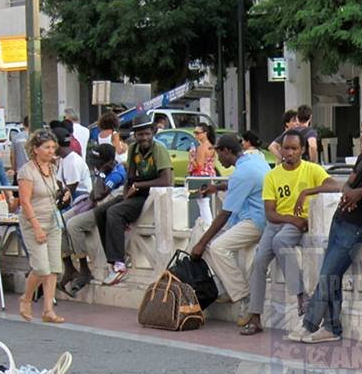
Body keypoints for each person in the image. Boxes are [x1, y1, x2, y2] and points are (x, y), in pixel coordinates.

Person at [288, 112, 362, 343]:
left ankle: (309, 324)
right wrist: (312, 190)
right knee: (331, 274)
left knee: (329, 273)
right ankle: (331, 327)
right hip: (340, 218)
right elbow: (348, 184)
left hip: (359, 223)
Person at [240, 130, 335, 335]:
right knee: (258, 263)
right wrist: (293, 219)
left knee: (281, 241)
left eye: (294, 148)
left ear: (302, 150)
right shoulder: (273, 175)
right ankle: (255, 317)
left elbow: (334, 186)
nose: (289, 152)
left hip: (296, 226)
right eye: (286, 148)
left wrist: (307, 192)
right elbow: (270, 213)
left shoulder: (312, 169)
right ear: (280, 149)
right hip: (282, 222)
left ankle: (301, 295)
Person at [190, 134, 270, 311]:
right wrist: (216, 187)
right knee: (203, 237)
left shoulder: (243, 172)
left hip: (256, 221)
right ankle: (227, 286)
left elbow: (224, 214)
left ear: (227, 151)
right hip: (250, 216)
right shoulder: (253, 159)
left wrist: (200, 245)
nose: (218, 158)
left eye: (219, 153)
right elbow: (237, 184)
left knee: (217, 247)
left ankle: (243, 296)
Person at [96, 116, 173, 285]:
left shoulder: (158, 148)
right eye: (140, 134)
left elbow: (167, 180)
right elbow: (129, 177)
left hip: (151, 194)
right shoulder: (133, 149)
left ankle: (120, 265)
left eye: (147, 134)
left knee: (114, 213)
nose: (144, 138)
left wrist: (139, 185)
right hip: (137, 191)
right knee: (100, 212)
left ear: (152, 132)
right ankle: (113, 259)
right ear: (135, 135)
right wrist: (125, 196)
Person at [16, 129, 69, 323]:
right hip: (34, 221)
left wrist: (64, 195)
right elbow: (25, 201)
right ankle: (26, 298)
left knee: (54, 267)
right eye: (46, 147)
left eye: (52, 147)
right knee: (41, 267)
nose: (50, 151)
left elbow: (53, 191)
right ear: (35, 149)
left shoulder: (53, 168)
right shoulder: (27, 171)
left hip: (52, 220)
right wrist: (36, 226)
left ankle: (48, 309)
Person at [61, 143, 127, 296]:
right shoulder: (103, 171)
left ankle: (84, 269)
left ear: (110, 162)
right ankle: (69, 268)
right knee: (61, 222)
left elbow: (98, 195)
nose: (96, 167)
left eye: (100, 164)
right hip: (91, 205)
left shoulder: (117, 173)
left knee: (73, 225)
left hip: (103, 210)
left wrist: (101, 174)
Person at [54, 127, 92, 205]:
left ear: (57, 144)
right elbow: (59, 183)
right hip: (74, 199)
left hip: (81, 200)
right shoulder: (64, 158)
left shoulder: (72, 162)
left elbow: (68, 193)